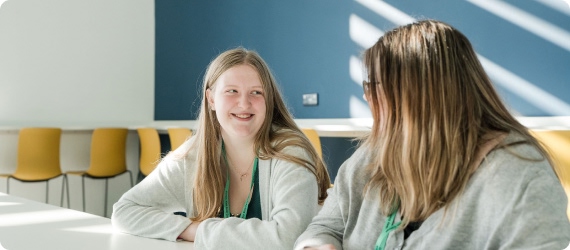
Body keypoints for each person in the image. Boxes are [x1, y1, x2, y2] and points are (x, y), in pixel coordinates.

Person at [295, 20, 570, 250]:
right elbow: (325, 225)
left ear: (420, 97)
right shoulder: (375, 152)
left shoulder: (518, 176)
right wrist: (317, 245)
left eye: (374, 86)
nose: (368, 97)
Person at [112, 47, 331, 249]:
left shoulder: (290, 152)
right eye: (232, 91)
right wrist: (190, 229)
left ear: (269, 100)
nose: (244, 104)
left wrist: (203, 231)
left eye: (256, 92)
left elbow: (289, 237)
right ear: (211, 99)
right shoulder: (194, 156)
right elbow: (124, 211)